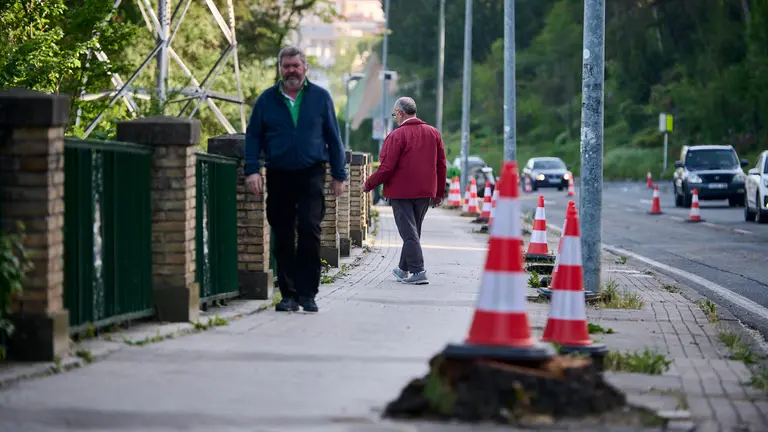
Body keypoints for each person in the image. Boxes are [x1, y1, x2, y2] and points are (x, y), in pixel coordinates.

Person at [244, 46, 347, 313]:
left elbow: (334, 139)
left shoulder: (320, 98)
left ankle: (308, 293)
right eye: (286, 66)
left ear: (305, 68)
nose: (291, 71)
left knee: (310, 230)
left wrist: (339, 175)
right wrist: (252, 169)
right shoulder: (267, 100)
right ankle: (288, 294)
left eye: (295, 66)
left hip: (312, 172)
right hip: (278, 173)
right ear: (280, 69)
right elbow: (253, 137)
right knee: (283, 234)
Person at [363, 97, 447, 285]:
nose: (395, 118)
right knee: (413, 232)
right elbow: (441, 165)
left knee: (409, 233)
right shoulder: (434, 133)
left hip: (401, 193)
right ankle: (402, 269)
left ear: (400, 113)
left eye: (395, 115)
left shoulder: (397, 136)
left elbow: (386, 168)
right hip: (426, 192)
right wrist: (439, 193)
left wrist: (368, 184)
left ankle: (418, 271)